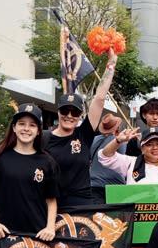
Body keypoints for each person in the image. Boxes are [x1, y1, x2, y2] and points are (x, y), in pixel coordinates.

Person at [43, 48, 118, 207]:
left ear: (80, 115)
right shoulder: (43, 138)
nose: (69, 115)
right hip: (52, 205)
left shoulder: (83, 134)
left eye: (75, 112)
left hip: (82, 205)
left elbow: (99, 98)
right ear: (58, 112)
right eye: (65, 111)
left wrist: (111, 64)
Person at [0, 104, 59, 241]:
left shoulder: (47, 162)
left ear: (38, 131)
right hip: (6, 235)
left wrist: (50, 227)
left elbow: (51, 200)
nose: (26, 129)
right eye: (22, 124)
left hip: (39, 235)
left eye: (32, 125)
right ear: (14, 127)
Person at [89, 114, 127, 204]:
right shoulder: (119, 141)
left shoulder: (94, 140)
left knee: (97, 212)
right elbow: (122, 158)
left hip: (94, 184)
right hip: (114, 186)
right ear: (117, 127)